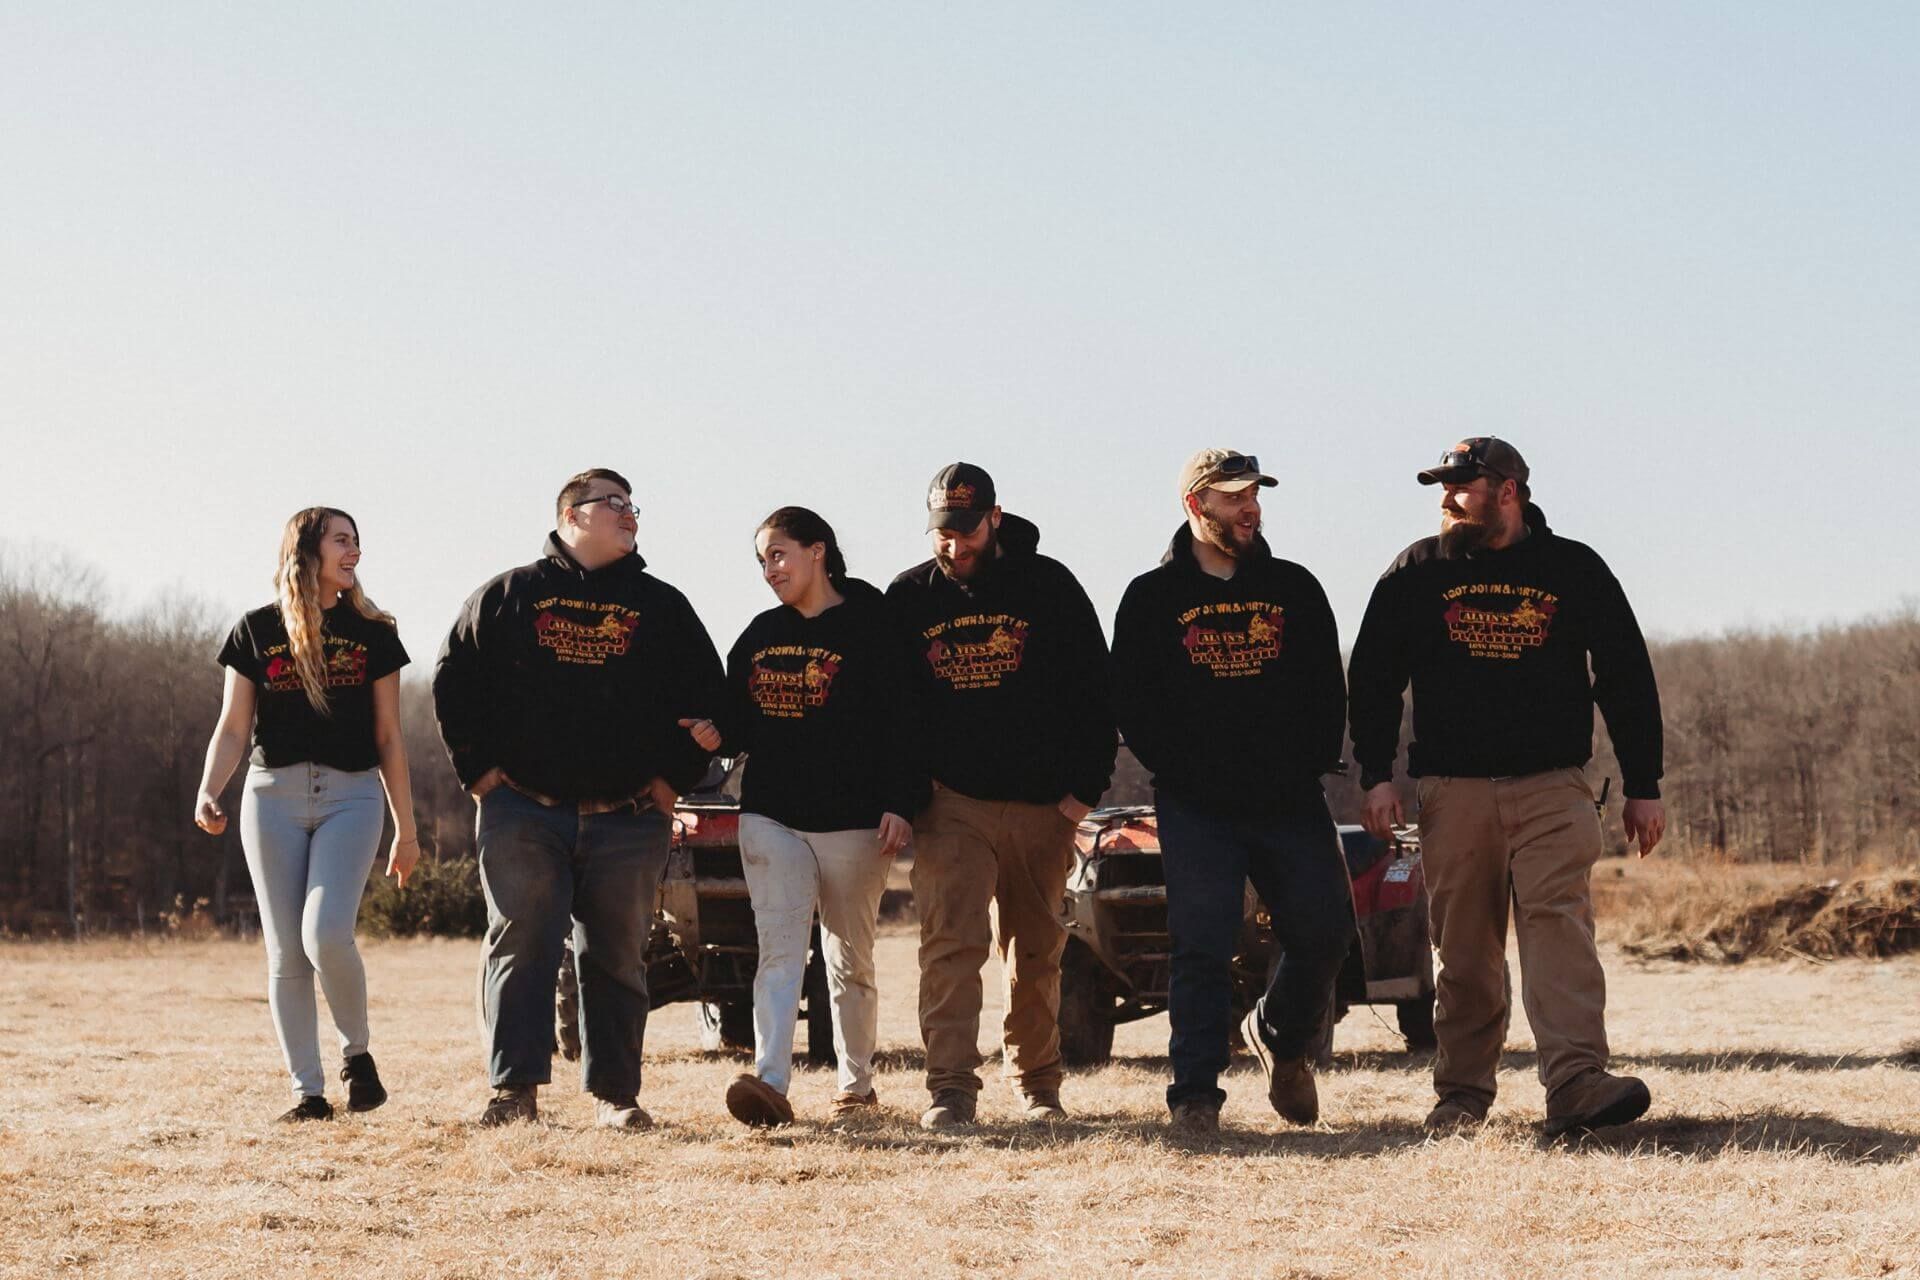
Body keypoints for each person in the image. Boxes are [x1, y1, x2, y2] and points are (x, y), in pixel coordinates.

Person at [1347, 437, 1666, 1137]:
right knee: (1465, 950)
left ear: (1509, 491)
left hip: (1553, 786)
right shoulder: (1417, 570)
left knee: (1559, 930)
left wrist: (1644, 782)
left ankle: (1576, 1083)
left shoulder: (1572, 568)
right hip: (1453, 790)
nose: (1447, 498)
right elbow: (1372, 679)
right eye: (1443, 485)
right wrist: (1376, 776)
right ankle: (1461, 1095)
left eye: (1462, 485)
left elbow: (1625, 675)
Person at [433, 467, 725, 1130]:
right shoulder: (508, 595)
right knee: (520, 945)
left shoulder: (662, 606)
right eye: (613, 502)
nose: (629, 513)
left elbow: (709, 699)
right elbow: (453, 681)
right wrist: (479, 775)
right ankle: (514, 1093)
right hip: (522, 811)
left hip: (629, 816)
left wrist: (671, 781)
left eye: (634, 504)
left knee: (617, 955)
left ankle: (615, 1098)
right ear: (570, 515)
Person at [1110, 449, 1352, 1138]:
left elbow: (1325, 688)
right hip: (1198, 804)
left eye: (1254, 495)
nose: (1250, 508)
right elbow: (1131, 700)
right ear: (1196, 505)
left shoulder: (1294, 588)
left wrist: (1305, 763)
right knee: (1202, 945)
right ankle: (1194, 1097)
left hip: (1288, 798)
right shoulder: (1151, 597)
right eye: (1233, 496)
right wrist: (1184, 769)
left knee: (1326, 931)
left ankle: (1281, 1035)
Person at [886, 462, 1117, 1128]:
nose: (953, 544)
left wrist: (1082, 793)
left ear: (994, 517)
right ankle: (950, 1089)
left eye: (966, 530)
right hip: (951, 804)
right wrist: (910, 791)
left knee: (1036, 953)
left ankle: (1038, 1086)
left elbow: (1097, 690)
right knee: (949, 948)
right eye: (942, 531)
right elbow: (891, 708)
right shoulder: (909, 597)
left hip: (1044, 806)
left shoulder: (1049, 585)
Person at [683, 507, 925, 1128]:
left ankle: (856, 1088)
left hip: (856, 821)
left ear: (818, 551)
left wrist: (901, 802)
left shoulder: (874, 625)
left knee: (849, 958)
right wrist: (715, 732)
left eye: (778, 554)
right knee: (779, 951)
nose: (769, 570)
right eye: (761, 561)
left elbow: (906, 720)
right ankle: (769, 1083)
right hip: (772, 816)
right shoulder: (760, 633)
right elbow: (738, 719)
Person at [194, 507, 419, 1124]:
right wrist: (209, 790)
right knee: (286, 952)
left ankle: (357, 1055)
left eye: (356, 542)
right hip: (271, 798)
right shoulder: (255, 630)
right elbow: (233, 727)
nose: (354, 552)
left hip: (352, 796)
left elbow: (389, 736)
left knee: (324, 933)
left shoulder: (374, 633)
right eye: (342, 541)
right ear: (307, 550)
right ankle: (307, 1094)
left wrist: (407, 829)